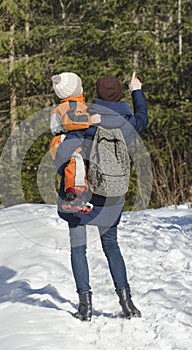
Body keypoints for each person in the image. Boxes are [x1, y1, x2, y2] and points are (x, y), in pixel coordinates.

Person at [54, 71, 149, 321]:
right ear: (119, 95)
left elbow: (63, 153)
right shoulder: (128, 122)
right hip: (110, 192)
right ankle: (128, 305)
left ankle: (85, 307)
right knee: (111, 246)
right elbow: (143, 117)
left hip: (81, 194)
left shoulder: (86, 121)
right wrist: (136, 90)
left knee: (78, 248)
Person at [50, 72, 100, 213]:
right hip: (66, 141)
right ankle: (73, 198)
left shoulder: (68, 105)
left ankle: (78, 200)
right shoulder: (71, 105)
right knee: (77, 163)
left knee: (76, 169)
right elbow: (71, 121)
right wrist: (91, 120)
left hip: (62, 141)